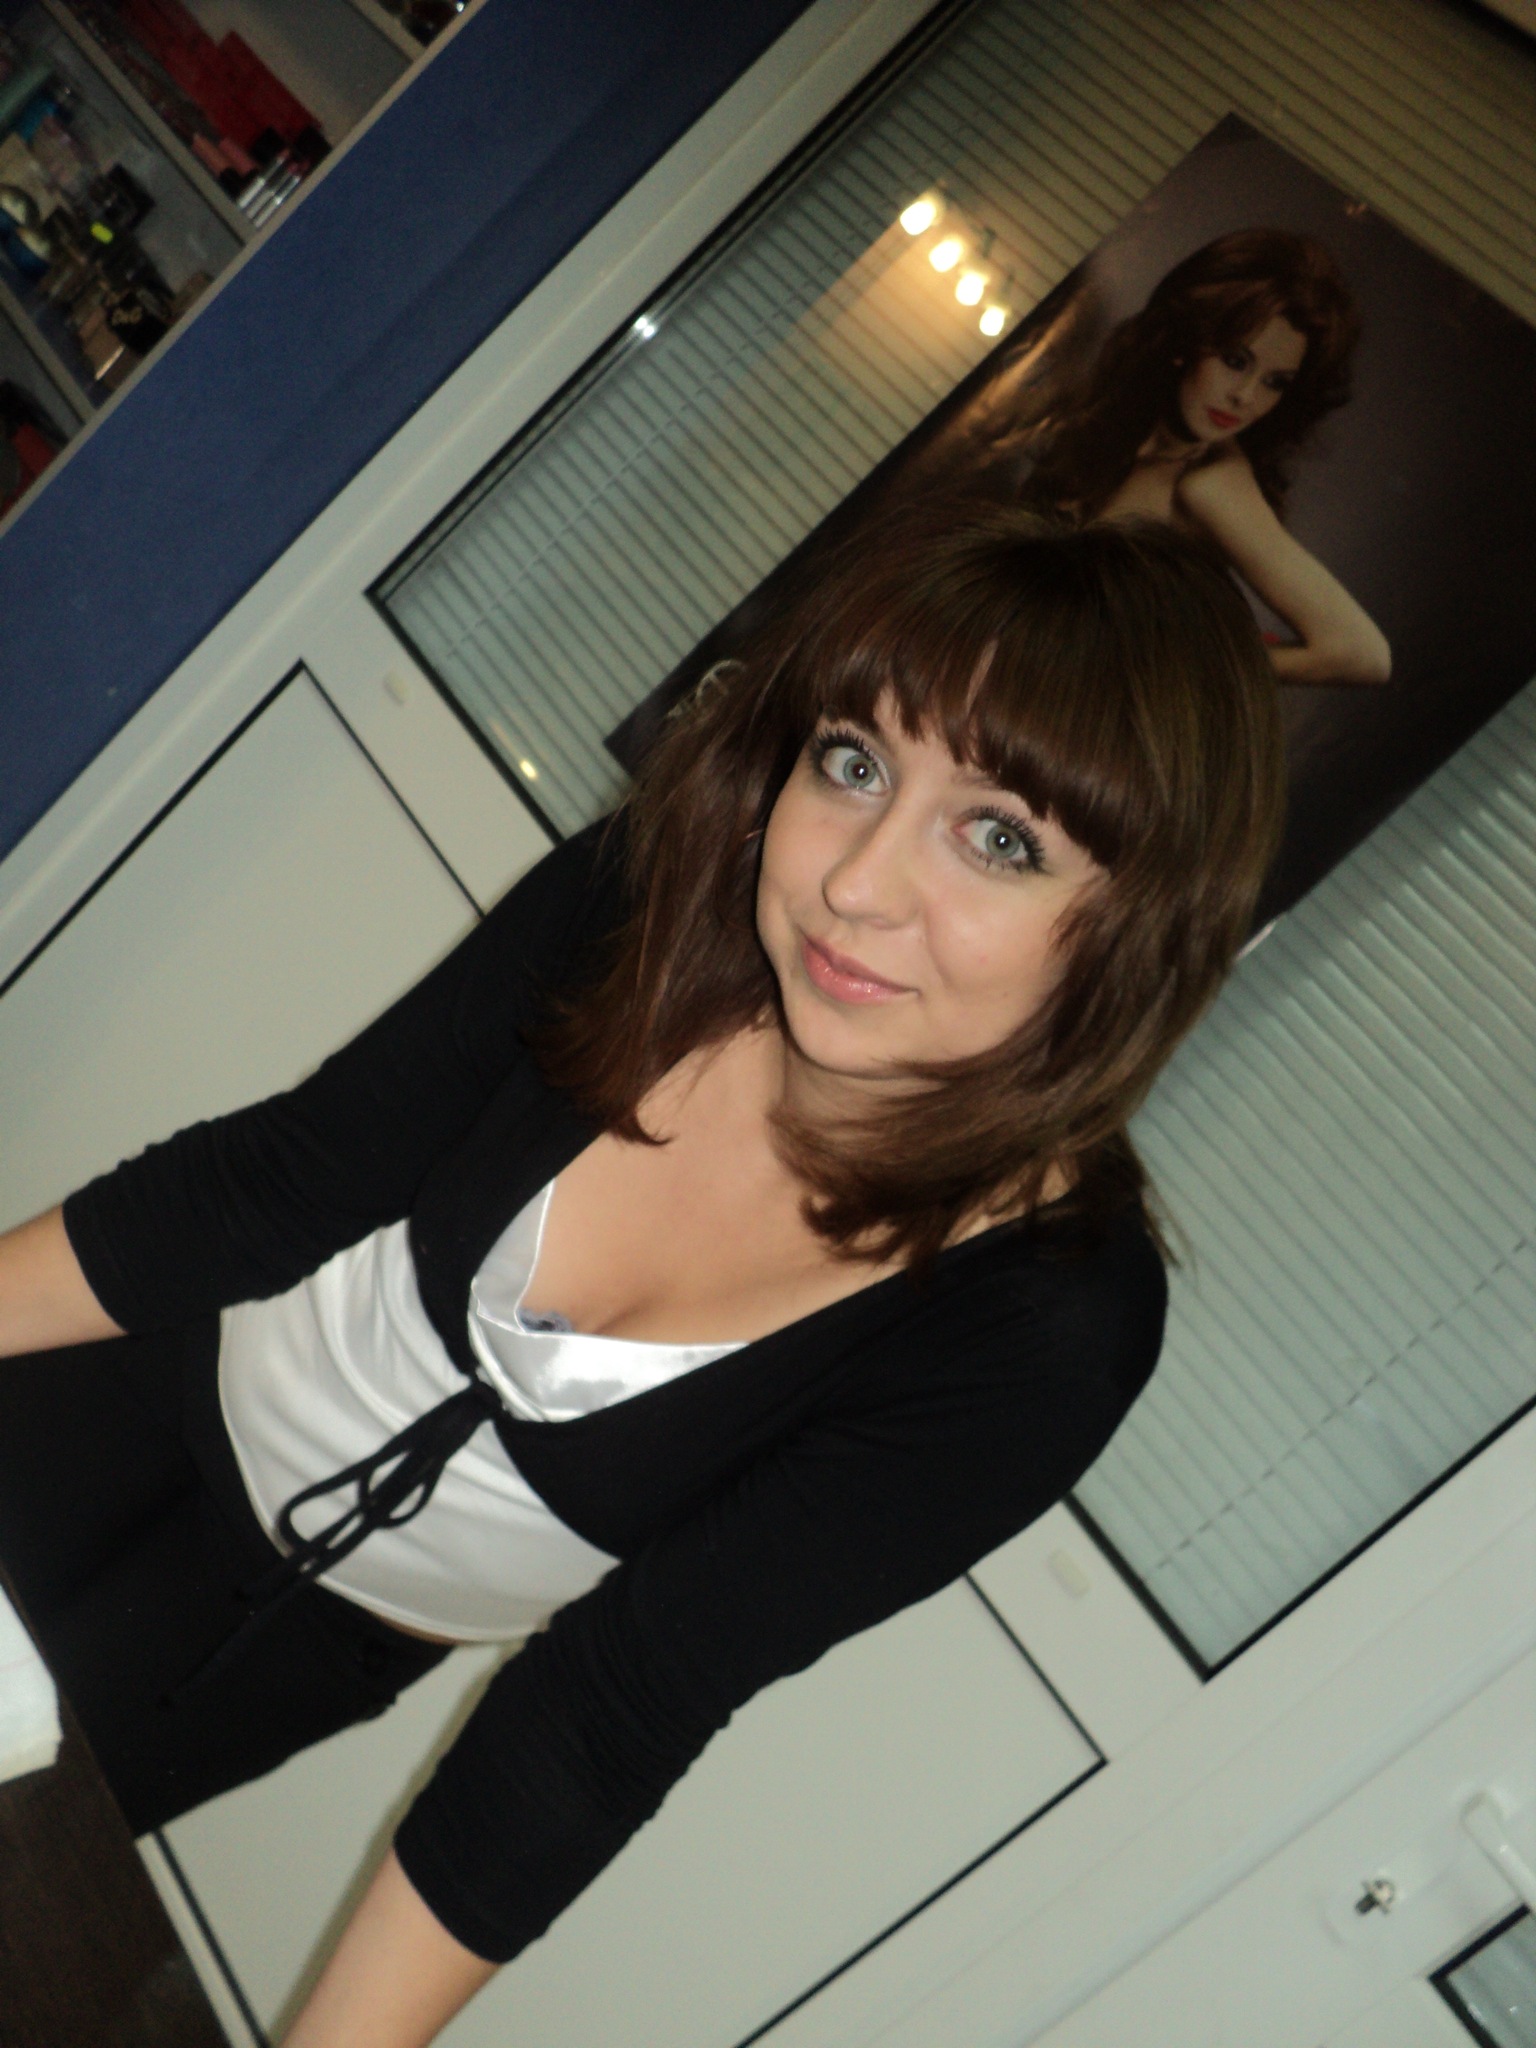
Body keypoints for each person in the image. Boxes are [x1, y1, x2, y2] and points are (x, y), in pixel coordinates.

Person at [0, 511, 1284, 2047]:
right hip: (124, 1393)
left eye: (999, 839)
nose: (857, 883)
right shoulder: (646, 897)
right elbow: (272, 1184)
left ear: (1140, 927)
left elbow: (606, 1710)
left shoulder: (1042, 1327)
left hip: (281, 1655)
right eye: (853, 764)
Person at [988, 229, 1391, 688]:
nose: (1245, 396)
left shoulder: (1214, 482)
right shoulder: (1114, 425)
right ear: (1189, 339)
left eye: (1275, 382)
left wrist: (1180, 669)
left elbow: (1362, 654)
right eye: (1236, 361)